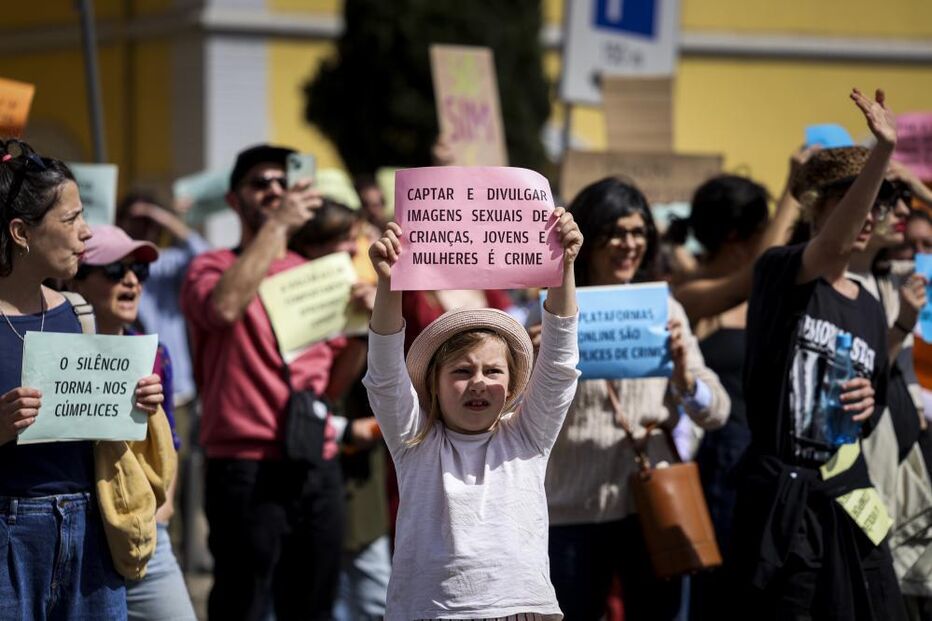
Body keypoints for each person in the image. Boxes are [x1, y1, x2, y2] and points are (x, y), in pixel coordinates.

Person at [731, 89, 908, 619]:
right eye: (854, 200)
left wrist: (867, 401)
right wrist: (882, 151)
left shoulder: (869, 305)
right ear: (816, 207)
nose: (868, 215)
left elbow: (872, 406)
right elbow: (832, 247)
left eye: (877, 204)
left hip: (850, 498)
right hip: (785, 505)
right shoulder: (781, 271)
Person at [363, 207, 582, 619]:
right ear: (434, 383)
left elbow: (558, 365)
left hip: (520, 610)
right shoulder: (415, 441)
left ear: (512, 384)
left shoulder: (528, 437)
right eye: (462, 372)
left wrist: (564, 266)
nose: (479, 382)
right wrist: (389, 282)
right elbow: (385, 376)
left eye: (493, 371)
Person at [180, 144, 359, 620]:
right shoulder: (210, 267)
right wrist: (278, 226)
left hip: (314, 461)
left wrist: (363, 330)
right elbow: (223, 308)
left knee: (313, 608)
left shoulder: (315, 273)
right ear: (233, 200)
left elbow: (332, 385)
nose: (274, 190)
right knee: (243, 606)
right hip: (244, 467)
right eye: (260, 183)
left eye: (283, 181)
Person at [541, 177, 730, 621]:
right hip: (570, 511)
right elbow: (514, 415)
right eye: (615, 232)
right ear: (588, 236)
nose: (629, 244)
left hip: (653, 508)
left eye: (638, 232)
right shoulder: (548, 313)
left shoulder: (666, 311)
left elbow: (717, 412)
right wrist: (530, 364)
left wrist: (684, 376)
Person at [0, 139, 164, 619]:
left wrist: (137, 402)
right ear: (21, 232)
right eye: (71, 219)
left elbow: (101, 428)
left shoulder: (80, 313)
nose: (86, 233)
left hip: (91, 531)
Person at [70, 224, 197, 621]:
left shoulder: (156, 353)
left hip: (146, 536)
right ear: (75, 280)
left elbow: (170, 441)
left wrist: (162, 512)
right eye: (114, 270)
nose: (131, 280)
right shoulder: (54, 351)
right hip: (78, 540)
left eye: (139, 271)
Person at [288, 199, 390, 621]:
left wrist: (373, 323)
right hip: (306, 462)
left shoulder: (366, 296)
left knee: (373, 594)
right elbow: (324, 394)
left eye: (355, 240)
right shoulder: (289, 303)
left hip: (357, 480)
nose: (353, 251)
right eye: (343, 242)